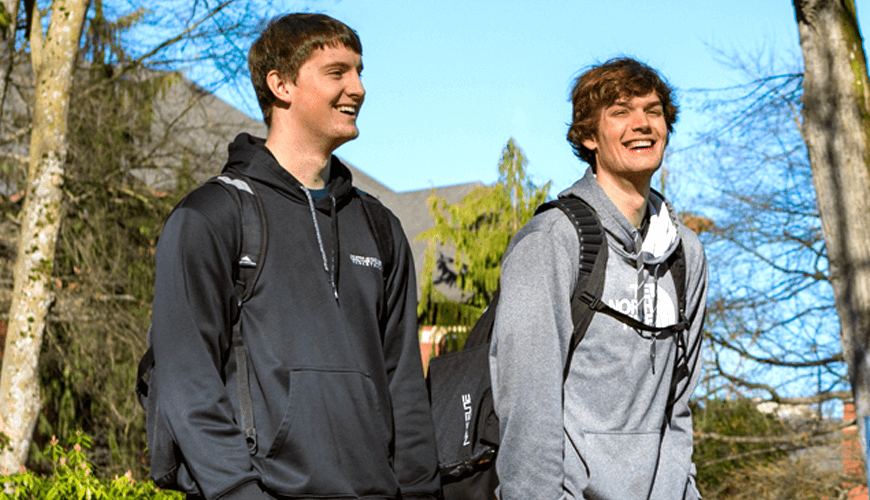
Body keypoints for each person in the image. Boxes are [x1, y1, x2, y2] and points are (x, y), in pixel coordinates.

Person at [148, 13, 438, 500]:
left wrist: (420, 493)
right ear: (280, 84)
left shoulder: (379, 227)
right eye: (337, 72)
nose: (359, 88)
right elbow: (186, 381)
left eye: (360, 71)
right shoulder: (212, 217)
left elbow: (404, 382)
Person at [490, 57, 708, 500]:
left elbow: (678, 403)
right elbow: (528, 404)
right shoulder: (552, 239)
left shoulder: (686, 253)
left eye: (652, 110)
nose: (642, 124)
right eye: (621, 112)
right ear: (589, 136)